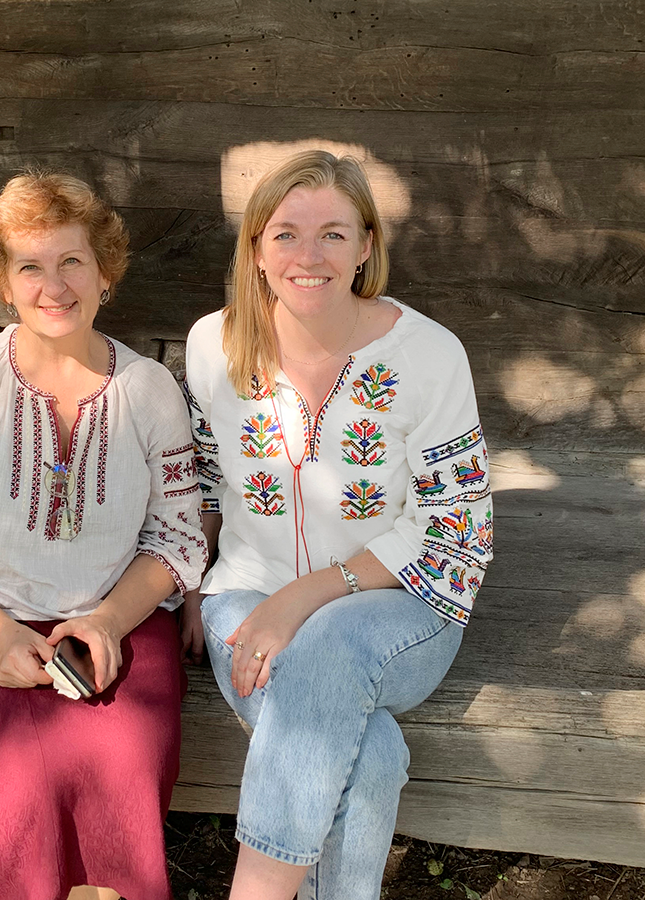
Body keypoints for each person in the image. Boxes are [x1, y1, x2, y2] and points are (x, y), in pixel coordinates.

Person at [0, 171, 207, 900]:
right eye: (31, 265)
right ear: (3, 281)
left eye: (72, 262)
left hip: (115, 613)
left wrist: (109, 621)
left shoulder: (151, 390)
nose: (53, 286)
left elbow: (178, 538)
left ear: (105, 273)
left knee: (125, 751)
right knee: (21, 769)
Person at [181, 150, 493, 900]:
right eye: (285, 234)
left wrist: (305, 597)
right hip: (243, 600)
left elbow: (457, 530)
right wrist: (192, 587)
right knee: (372, 754)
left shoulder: (427, 355)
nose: (308, 256)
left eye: (332, 234)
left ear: (366, 247)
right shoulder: (212, 346)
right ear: (255, 250)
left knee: (328, 642)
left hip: (400, 606)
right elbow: (200, 480)